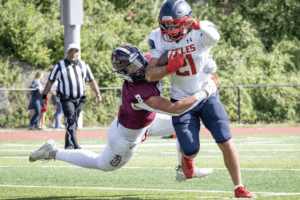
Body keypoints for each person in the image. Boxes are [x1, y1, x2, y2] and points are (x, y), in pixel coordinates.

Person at [29, 45, 217, 183]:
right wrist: (206, 91)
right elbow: (175, 108)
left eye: (136, 62)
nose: (137, 68)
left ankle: (183, 169)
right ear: (124, 73)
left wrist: (201, 61)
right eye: (130, 68)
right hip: (126, 138)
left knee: (187, 122)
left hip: (146, 121)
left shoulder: (149, 60)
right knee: (101, 164)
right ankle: (53, 152)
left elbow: (171, 53)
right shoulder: (139, 93)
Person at [145, 0, 256, 198]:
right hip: (182, 99)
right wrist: (169, 68)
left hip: (207, 95)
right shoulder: (158, 37)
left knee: (225, 140)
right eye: (166, 24)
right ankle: (188, 159)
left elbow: (215, 35)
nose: (169, 28)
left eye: (174, 24)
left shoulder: (199, 31)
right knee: (190, 148)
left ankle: (239, 187)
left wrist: (196, 25)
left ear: (187, 20)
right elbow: (150, 74)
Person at [39, 43, 102, 149]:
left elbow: (91, 81)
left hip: (80, 99)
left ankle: (68, 145)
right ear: (67, 53)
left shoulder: (84, 65)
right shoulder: (60, 65)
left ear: (78, 53)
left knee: (73, 122)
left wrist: (98, 93)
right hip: (66, 98)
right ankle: (75, 145)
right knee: (71, 120)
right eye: (71, 51)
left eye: (75, 51)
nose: (73, 53)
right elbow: (50, 81)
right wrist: (44, 96)